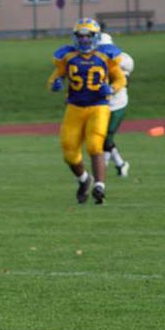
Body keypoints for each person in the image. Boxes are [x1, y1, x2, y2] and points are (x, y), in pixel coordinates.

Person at [47, 19, 126, 204]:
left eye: (88, 35)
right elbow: (53, 77)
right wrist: (55, 83)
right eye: (80, 36)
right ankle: (84, 179)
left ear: (95, 36)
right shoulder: (66, 56)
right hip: (74, 107)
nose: (83, 40)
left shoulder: (107, 55)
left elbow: (120, 79)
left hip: (98, 106)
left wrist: (112, 89)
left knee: (94, 145)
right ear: (75, 37)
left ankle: (100, 186)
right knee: (69, 152)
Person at [97, 33, 133, 177]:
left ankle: (101, 173)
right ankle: (121, 164)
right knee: (99, 137)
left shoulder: (124, 60)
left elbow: (126, 81)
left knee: (106, 137)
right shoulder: (92, 59)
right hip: (99, 104)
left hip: (117, 104)